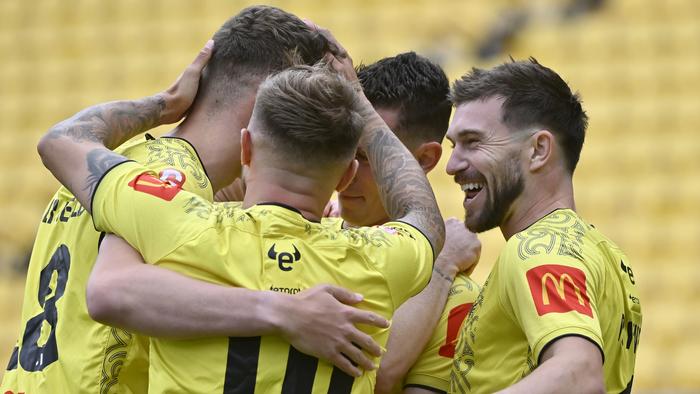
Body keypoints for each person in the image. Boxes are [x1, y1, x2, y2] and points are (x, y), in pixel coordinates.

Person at [1, 6, 389, 394]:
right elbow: (114, 290)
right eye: (303, 108)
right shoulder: (169, 183)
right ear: (268, 103)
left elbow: (60, 136)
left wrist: (166, 104)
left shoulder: (113, 162)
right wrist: (286, 311)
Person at [446, 58, 641, 393]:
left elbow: (579, 372)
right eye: (453, 145)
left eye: (473, 142)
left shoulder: (537, 250)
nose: (452, 165)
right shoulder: (606, 255)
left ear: (538, 150)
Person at [327, 52, 483, 394]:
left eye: (367, 156)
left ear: (424, 159)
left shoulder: (457, 299)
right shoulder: (309, 235)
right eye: (341, 148)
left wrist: (440, 267)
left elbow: (374, 377)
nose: (345, 171)